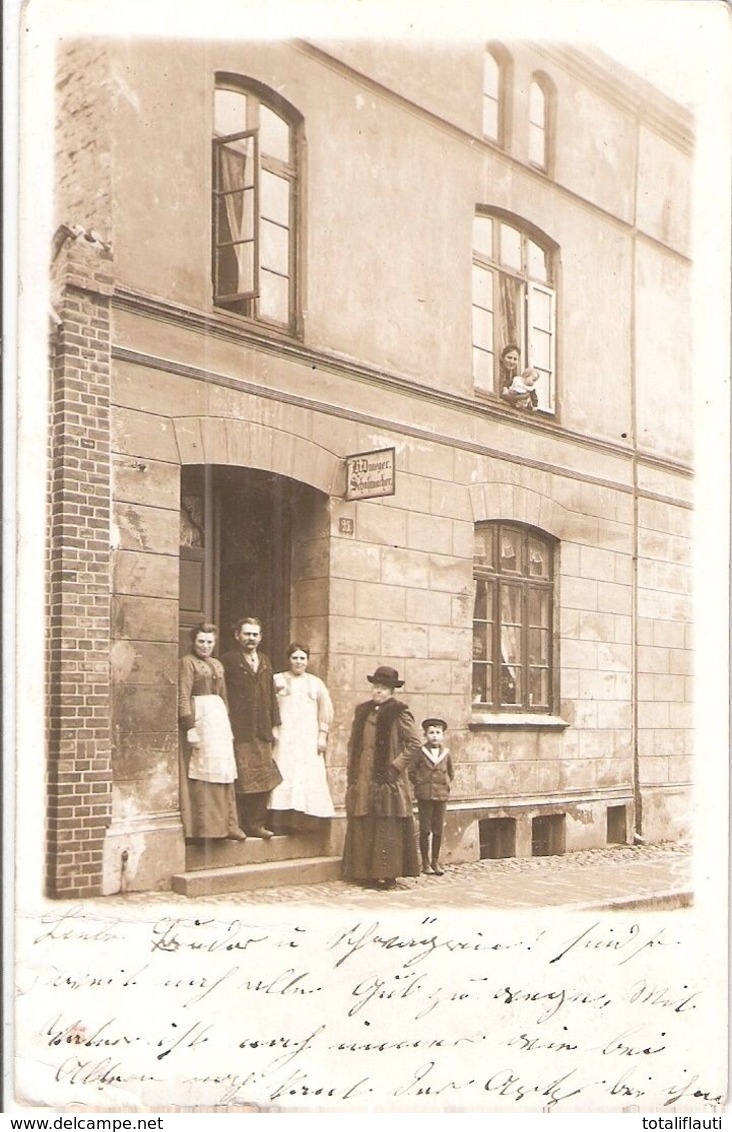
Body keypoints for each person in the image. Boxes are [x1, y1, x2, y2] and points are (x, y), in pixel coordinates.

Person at [342, 665, 422, 890]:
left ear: (391, 692)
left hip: (387, 777)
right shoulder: (363, 711)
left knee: (386, 821)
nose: (378, 692)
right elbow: (353, 743)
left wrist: (395, 767)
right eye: (376, 687)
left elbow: (414, 744)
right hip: (364, 776)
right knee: (364, 818)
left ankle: (387, 874)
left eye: (383, 689)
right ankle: (363, 872)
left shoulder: (399, 713)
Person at [178, 622, 247, 841]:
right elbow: (182, 695)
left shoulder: (217, 664)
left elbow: (223, 695)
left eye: (209, 642)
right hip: (200, 719)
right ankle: (205, 829)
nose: (205, 646)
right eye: (201, 641)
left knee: (223, 770)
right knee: (203, 772)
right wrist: (189, 727)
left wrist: (227, 724)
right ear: (193, 642)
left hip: (217, 720)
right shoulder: (187, 663)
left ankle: (229, 825)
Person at [221, 617, 282, 839]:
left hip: (262, 728)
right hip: (240, 729)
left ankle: (257, 824)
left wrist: (275, 724)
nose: (251, 638)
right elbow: (223, 694)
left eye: (255, 634)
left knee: (264, 777)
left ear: (261, 637)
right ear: (237, 635)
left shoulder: (265, 660)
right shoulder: (228, 660)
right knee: (242, 777)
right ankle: (238, 824)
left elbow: (271, 695)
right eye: (247, 634)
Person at [269, 643, 335, 821]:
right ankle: (281, 817)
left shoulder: (315, 683)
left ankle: (304, 819)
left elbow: (325, 710)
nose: (298, 662)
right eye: (294, 658)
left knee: (307, 772)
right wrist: (272, 730)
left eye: (302, 658)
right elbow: (268, 707)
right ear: (288, 660)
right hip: (285, 735)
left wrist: (322, 735)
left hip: (307, 736)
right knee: (284, 769)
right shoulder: (277, 680)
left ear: (307, 660)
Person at [410, 718, 454, 876]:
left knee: (438, 830)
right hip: (425, 796)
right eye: (431, 733)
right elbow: (412, 772)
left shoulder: (446, 753)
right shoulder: (420, 752)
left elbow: (451, 772)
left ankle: (436, 861)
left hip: (441, 796)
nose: (434, 736)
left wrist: (445, 785)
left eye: (437, 733)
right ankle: (426, 863)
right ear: (425, 735)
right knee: (425, 829)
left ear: (442, 736)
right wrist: (421, 784)